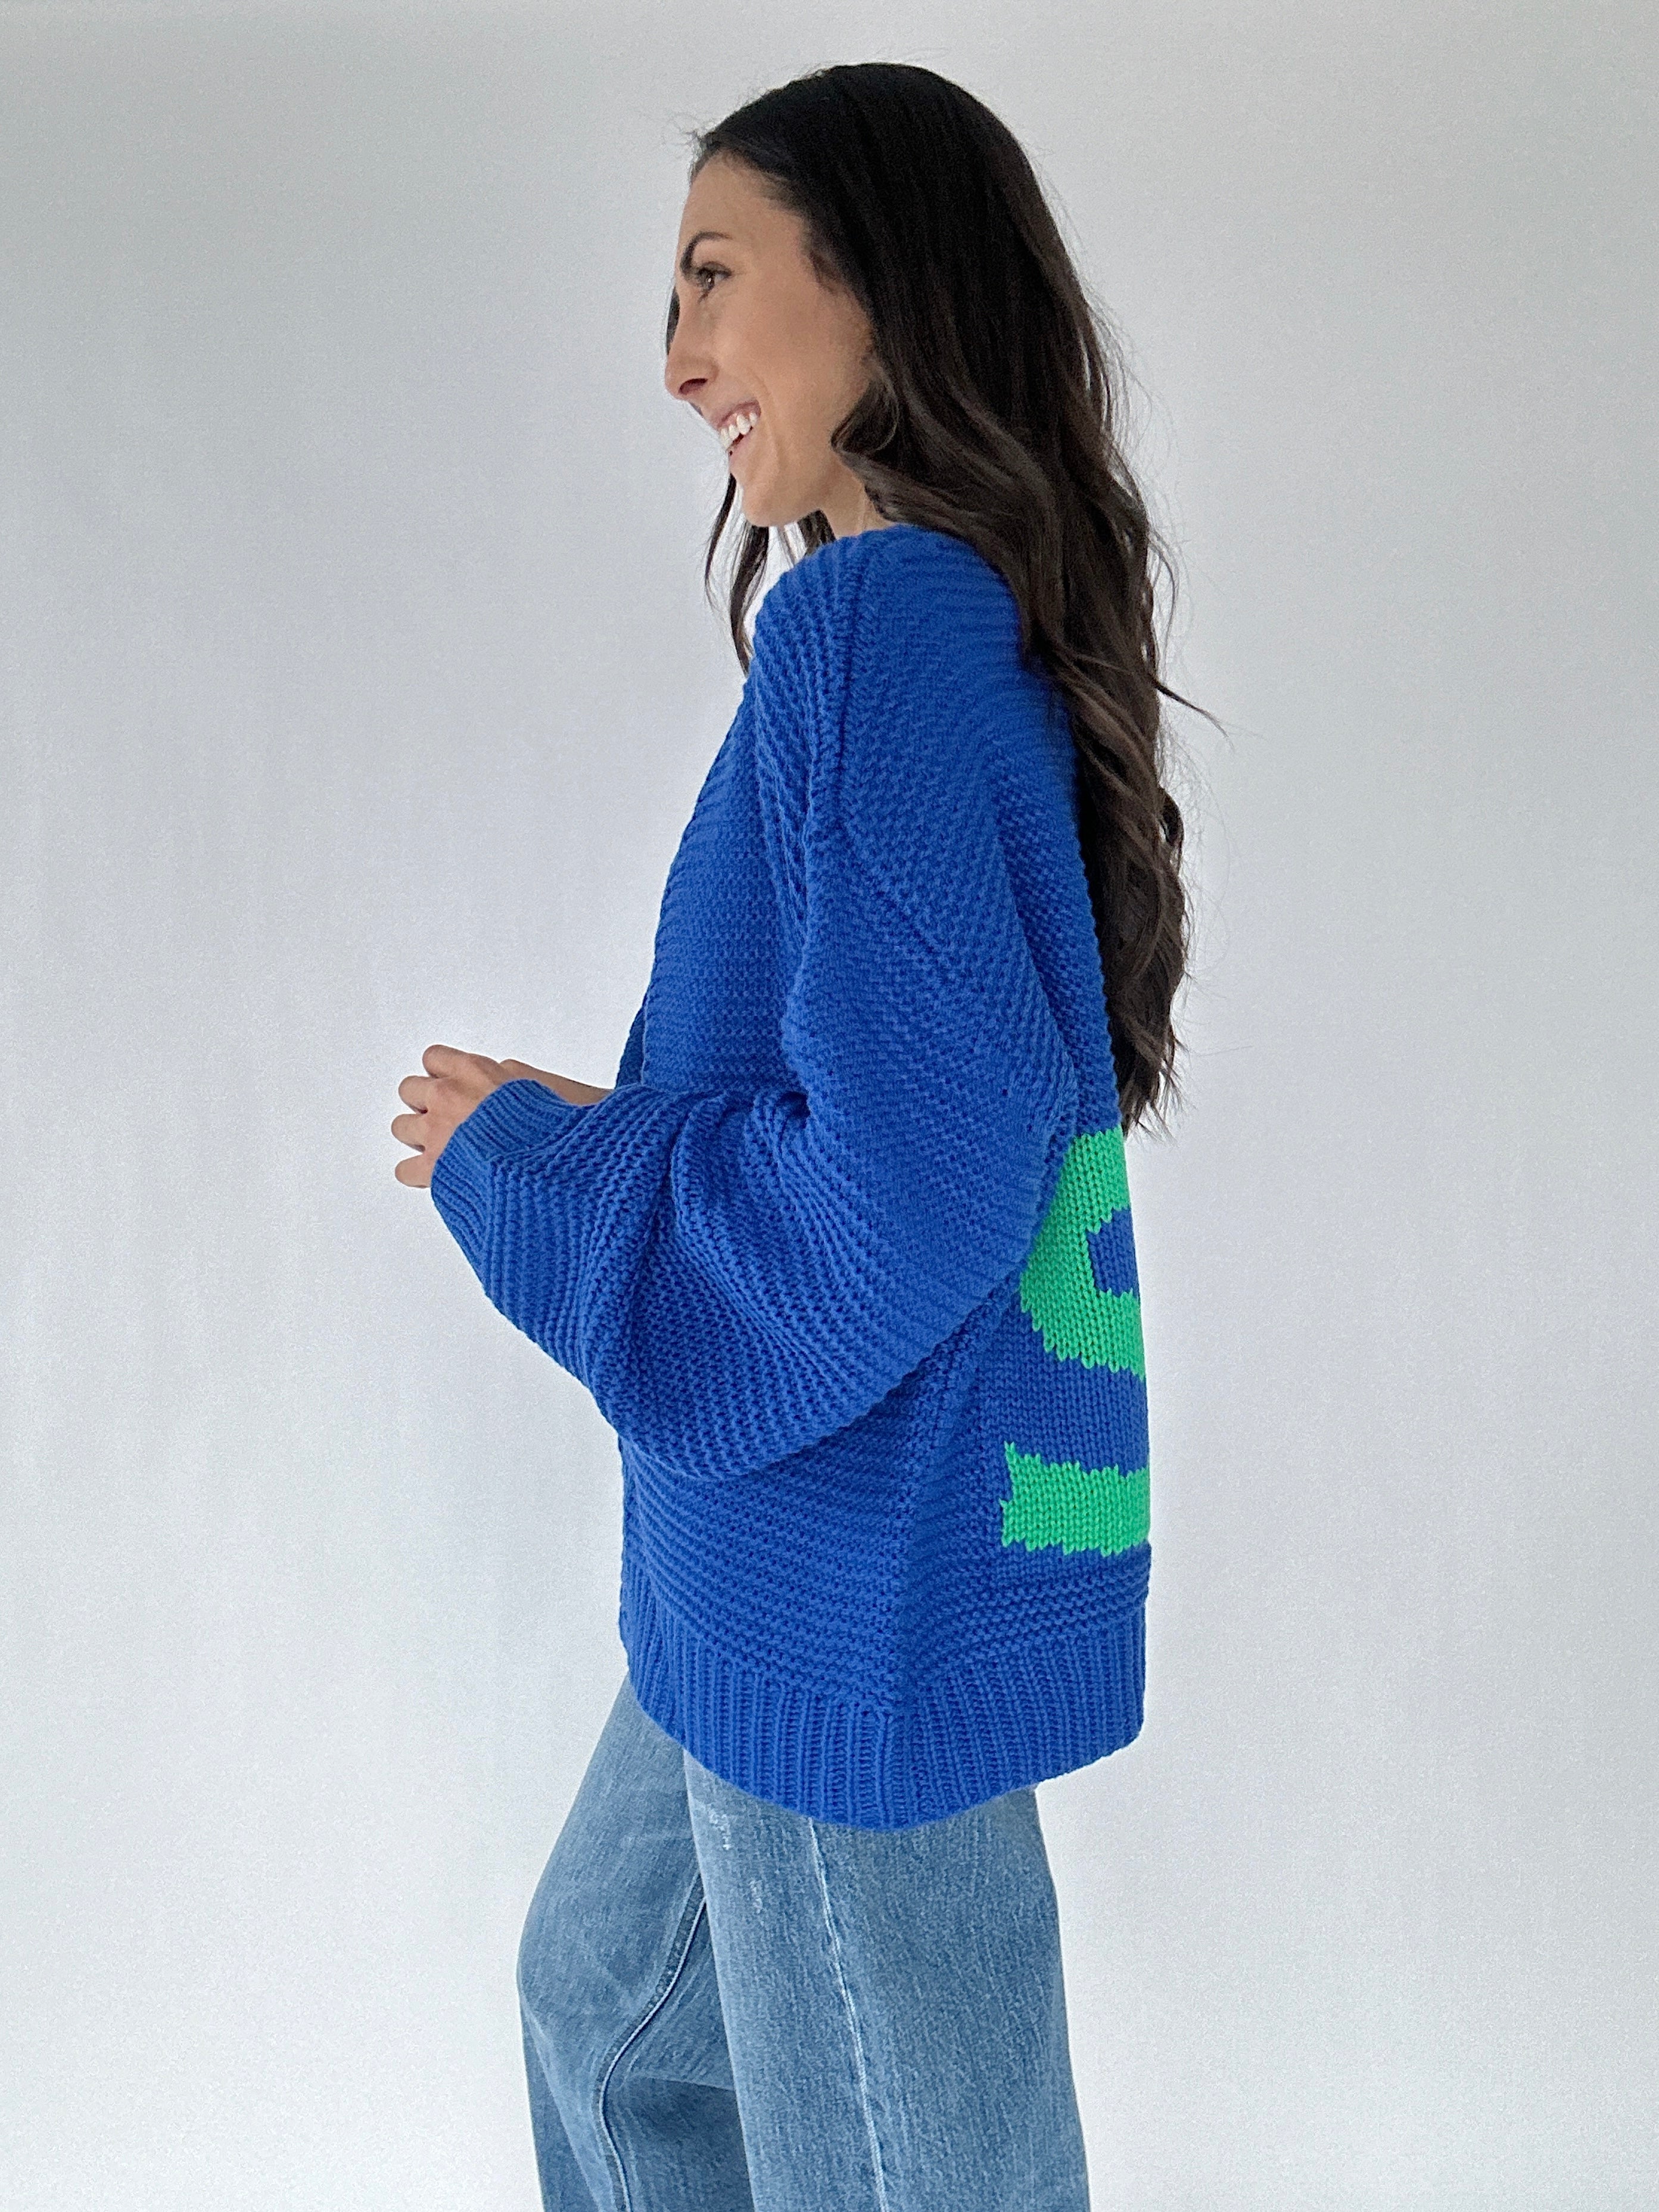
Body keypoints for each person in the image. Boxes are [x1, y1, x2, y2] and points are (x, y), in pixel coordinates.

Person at [391, 60, 1196, 2212]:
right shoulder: (943, 627)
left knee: (910, 2172)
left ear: (880, 287)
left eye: (712, 279)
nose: (675, 360)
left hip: (841, 1543)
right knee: (606, 2010)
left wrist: (543, 1184)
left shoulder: (874, 632)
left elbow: (901, 1194)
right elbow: (916, 1099)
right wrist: (619, 1118)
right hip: (794, 1541)